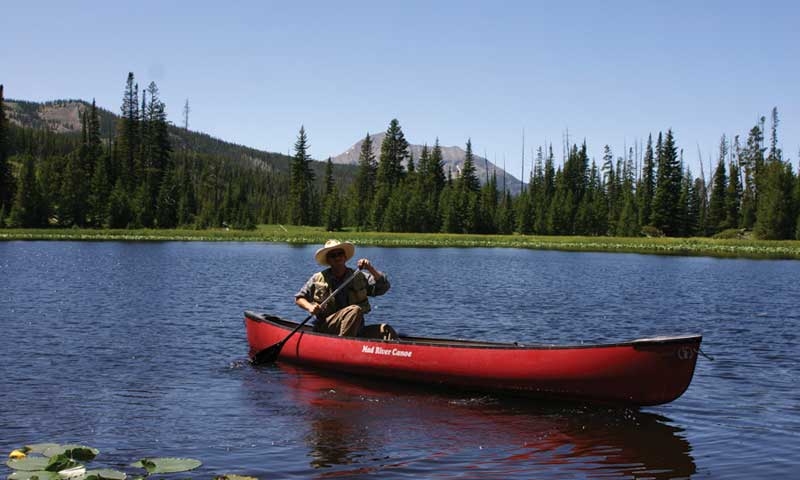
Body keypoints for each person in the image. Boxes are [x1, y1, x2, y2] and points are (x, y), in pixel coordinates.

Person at [295, 239, 392, 337]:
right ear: (328, 260)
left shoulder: (358, 276)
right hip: (327, 326)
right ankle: (343, 346)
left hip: (357, 328)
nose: (337, 257)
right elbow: (299, 298)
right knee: (354, 310)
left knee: (386, 331)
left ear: (345, 257)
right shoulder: (318, 278)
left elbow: (383, 287)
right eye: (333, 255)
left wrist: (371, 269)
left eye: (340, 254)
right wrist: (310, 307)